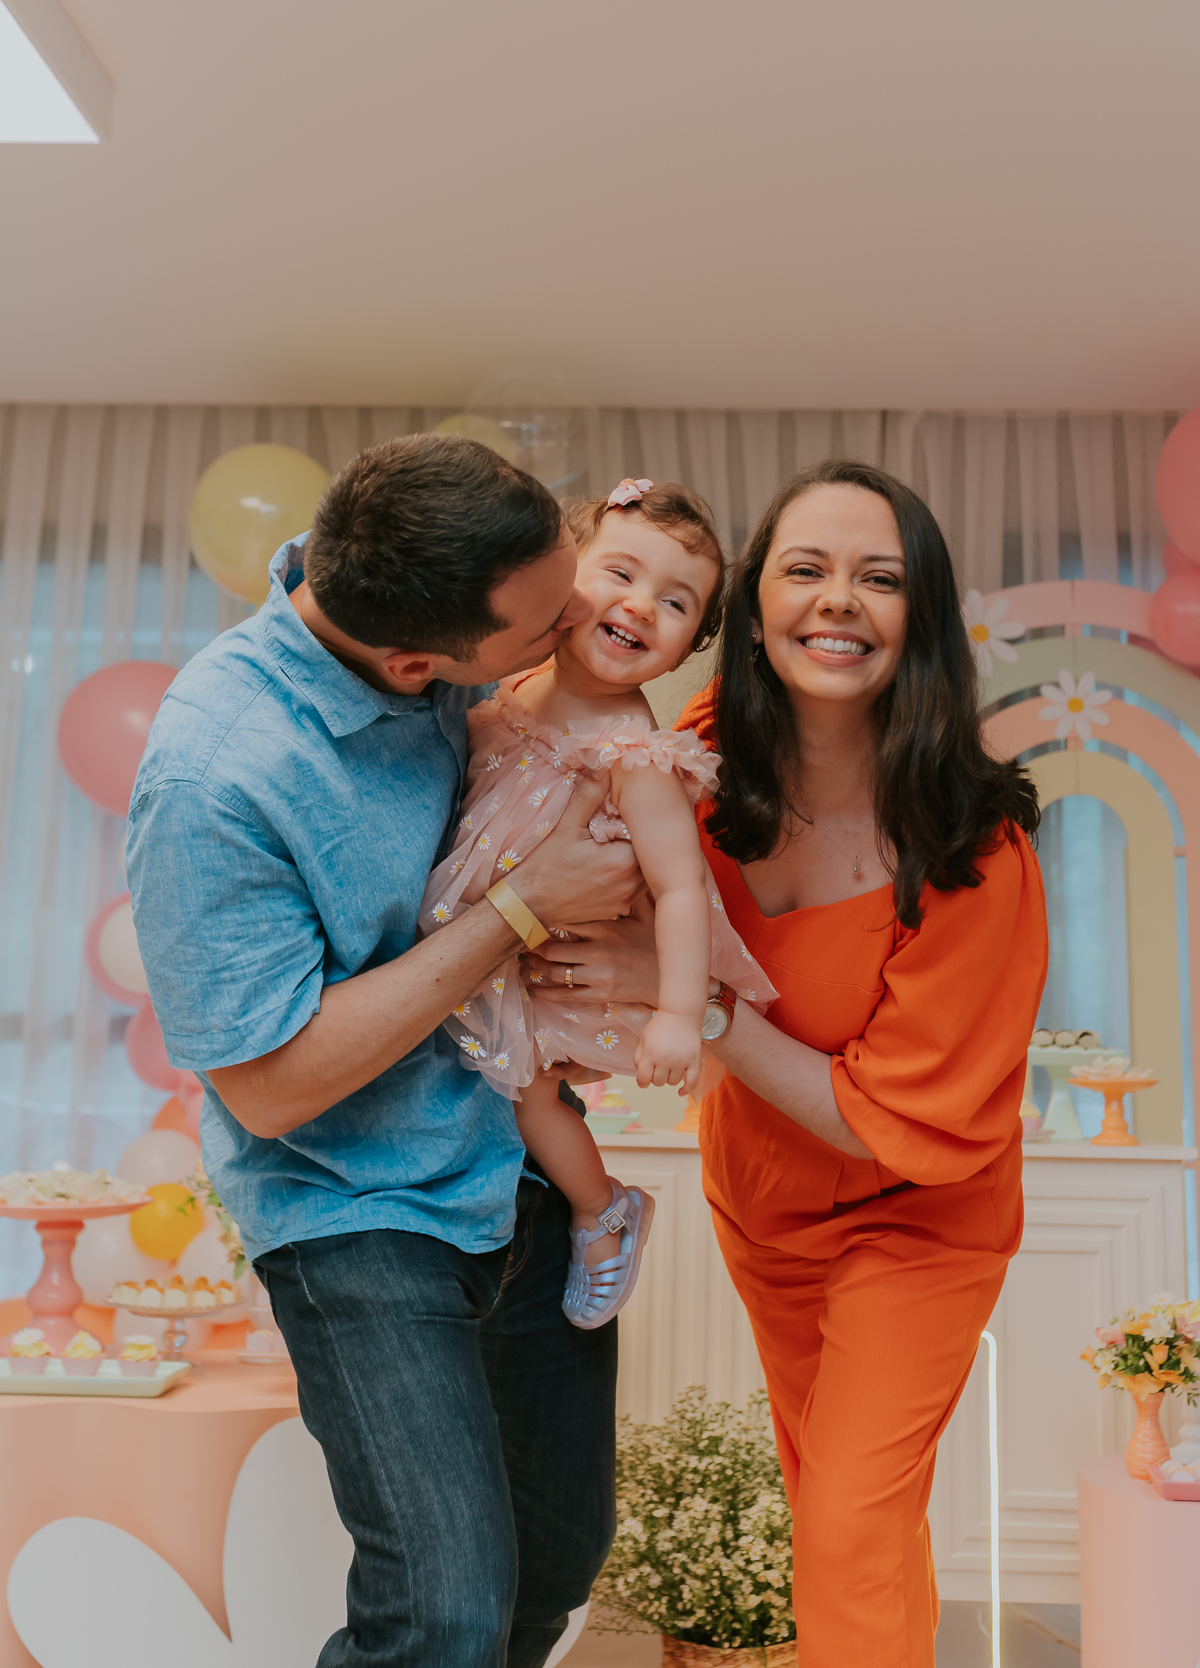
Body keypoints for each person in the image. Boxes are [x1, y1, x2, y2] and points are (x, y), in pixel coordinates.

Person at [126, 433, 645, 1668]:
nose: (574, 622)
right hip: (356, 1206)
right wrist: (520, 912)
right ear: (422, 663)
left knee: (555, 1563)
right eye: (539, 629)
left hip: (517, 1170)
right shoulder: (215, 775)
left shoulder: (444, 608)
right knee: (444, 1612)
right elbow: (269, 1083)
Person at [524, 459, 1048, 1666]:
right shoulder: (696, 758)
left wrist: (693, 1006)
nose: (838, 601)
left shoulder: (976, 837)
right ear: (751, 607)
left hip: (919, 1219)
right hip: (766, 1207)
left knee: (852, 1525)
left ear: (923, 619)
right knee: (841, 1511)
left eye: (880, 578)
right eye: (805, 571)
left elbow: (883, 1119)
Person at [421, 479, 775, 1330]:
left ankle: (601, 1208)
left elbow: (683, 885)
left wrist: (679, 1014)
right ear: (565, 579)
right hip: (479, 935)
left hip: (542, 962)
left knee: (533, 1096)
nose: (640, 605)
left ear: (696, 638)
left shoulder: (636, 753)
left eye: (676, 601)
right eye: (620, 573)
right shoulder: (502, 691)